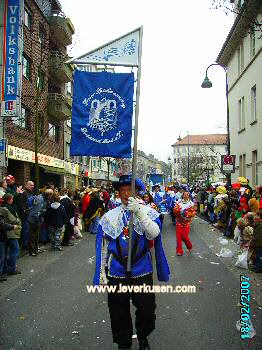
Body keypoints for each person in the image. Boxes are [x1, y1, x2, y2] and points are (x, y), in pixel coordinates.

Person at [93, 175, 170, 350]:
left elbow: (154, 234)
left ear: (137, 193)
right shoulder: (109, 216)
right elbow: (104, 245)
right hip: (117, 271)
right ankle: (123, 343)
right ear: (118, 194)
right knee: (118, 311)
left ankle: (143, 336)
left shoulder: (148, 212)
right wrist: (102, 272)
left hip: (141, 269)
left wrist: (140, 212)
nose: (126, 194)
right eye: (123, 190)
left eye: (130, 190)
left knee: (146, 309)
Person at [0, 194, 22, 275]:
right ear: (8, 200)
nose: (12, 201)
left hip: (6, 233)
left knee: (6, 252)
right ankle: (11, 268)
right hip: (10, 232)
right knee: (15, 250)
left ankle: (5, 269)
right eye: (12, 199)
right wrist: (18, 220)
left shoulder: (4, 207)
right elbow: (13, 219)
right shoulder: (5, 209)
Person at [173, 191, 196, 256]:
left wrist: (187, 214)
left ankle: (189, 246)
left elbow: (193, 213)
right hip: (179, 222)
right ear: (182, 195)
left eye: (187, 195)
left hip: (186, 223)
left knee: (184, 237)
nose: (186, 196)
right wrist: (177, 211)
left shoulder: (191, 204)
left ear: (189, 196)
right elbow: (175, 210)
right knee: (178, 237)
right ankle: (179, 251)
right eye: (184, 195)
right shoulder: (179, 202)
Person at [0, 214, 18, 281]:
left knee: (3, 256)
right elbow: (1, 225)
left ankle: (4, 271)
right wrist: (12, 226)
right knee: (1, 257)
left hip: (2, 238)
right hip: (1, 239)